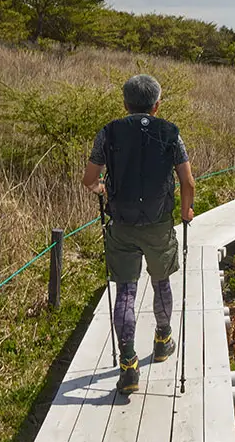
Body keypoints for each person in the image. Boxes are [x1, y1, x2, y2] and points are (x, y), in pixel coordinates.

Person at [82, 74, 195, 394]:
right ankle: (162, 340)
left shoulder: (108, 132)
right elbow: (188, 182)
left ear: (125, 103)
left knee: (126, 293)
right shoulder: (171, 132)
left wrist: (101, 188)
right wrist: (186, 211)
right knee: (161, 283)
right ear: (157, 104)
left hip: (122, 224)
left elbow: (90, 179)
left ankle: (128, 364)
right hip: (159, 224)